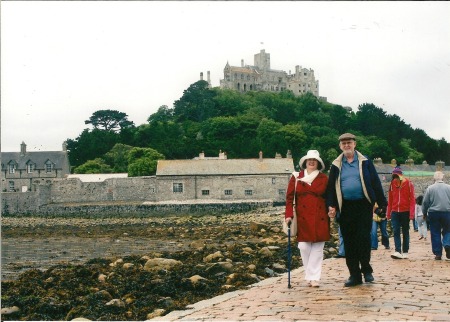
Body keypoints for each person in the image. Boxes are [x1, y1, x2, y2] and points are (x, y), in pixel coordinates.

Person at [326, 133, 387, 287]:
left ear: (355, 144)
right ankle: (354, 274)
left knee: (364, 238)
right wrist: (331, 205)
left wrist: (382, 203)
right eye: (344, 143)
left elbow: (375, 182)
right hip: (345, 207)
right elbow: (331, 187)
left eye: (349, 143)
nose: (347, 145)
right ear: (340, 146)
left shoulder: (365, 162)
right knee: (349, 241)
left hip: (363, 205)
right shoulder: (336, 165)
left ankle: (367, 270)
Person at [285, 150, 330, 287]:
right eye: (309, 160)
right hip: (302, 218)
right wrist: (288, 215)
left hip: (320, 216)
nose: (311, 162)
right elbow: (289, 197)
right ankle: (310, 274)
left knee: (317, 248)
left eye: (314, 160)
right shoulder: (296, 177)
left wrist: (332, 210)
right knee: (303, 247)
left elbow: (329, 197)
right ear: (305, 162)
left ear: (318, 163)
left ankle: (314, 277)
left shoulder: (324, 178)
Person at [386, 167, 416, 259]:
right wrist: (388, 213)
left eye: (397, 176)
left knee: (405, 232)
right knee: (396, 231)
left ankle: (405, 251)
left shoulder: (409, 184)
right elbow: (390, 199)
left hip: (405, 211)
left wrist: (411, 213)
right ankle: (397, 250)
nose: (395, 178)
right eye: (394, 176)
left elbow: (412, 200)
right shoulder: (392, 184)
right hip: (395, 211)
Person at [422, 171, 450, 260]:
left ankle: (438, 253)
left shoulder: (430, 188)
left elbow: (425, 202)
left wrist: (424, 212)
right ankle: (447, 244)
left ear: (434, 178)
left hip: (433, 212)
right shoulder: (448, 187)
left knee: (435, 232)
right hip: (447, 212)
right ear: (443, 178)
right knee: (448, 230)